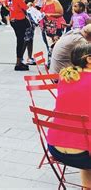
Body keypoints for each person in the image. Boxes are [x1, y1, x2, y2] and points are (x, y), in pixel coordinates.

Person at [47, 43, 91, 189]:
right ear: (89, 59)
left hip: (55, 148)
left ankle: (86, 186)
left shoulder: (66, 77)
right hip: (84, 154)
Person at [5, 0, 29, 71]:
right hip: (20, 20)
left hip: (13, 20)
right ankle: (18, 63)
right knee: (20, 41)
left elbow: (6, 5)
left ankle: (19, 61)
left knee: (20, 40)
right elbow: (25, 7)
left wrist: (13, 10)